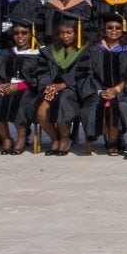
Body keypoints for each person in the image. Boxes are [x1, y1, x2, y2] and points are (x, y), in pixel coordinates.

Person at [86, 11, 127, 158]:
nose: (114, 31)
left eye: (118, 28)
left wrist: (117, 88)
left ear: (123, 29)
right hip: (97, 90)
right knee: (92, 109)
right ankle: (114, 137)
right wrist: (100, 91)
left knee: (118, 105)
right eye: (110, 27)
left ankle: (113, 141)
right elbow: (87, 73)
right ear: (104, 29)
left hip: (124, 89)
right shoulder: (93, 48)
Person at [37, 15, 92, 155]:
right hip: (51, 87)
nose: (65, 36)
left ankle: (65, 138)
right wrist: (49, 86)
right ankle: (55, 138)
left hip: (75, 89)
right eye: (61, 32)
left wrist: (64, 84)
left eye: (69, 32)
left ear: (77, 32)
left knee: (63, 100)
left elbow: (86, 73)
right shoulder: (51, 50)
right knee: (41, 109)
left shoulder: (86, 50)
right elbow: (42, 71)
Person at [0, 20, 45, 155]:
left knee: (22, 102)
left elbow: (42, 78)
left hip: (30, 89)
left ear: (32, 34)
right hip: (6, 87)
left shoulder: (40, 54)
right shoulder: (5, 53)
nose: (20, 36)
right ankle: (6, 138)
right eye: (16, 33)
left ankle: (21, 138)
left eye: (24, 33)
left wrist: (20, 85)